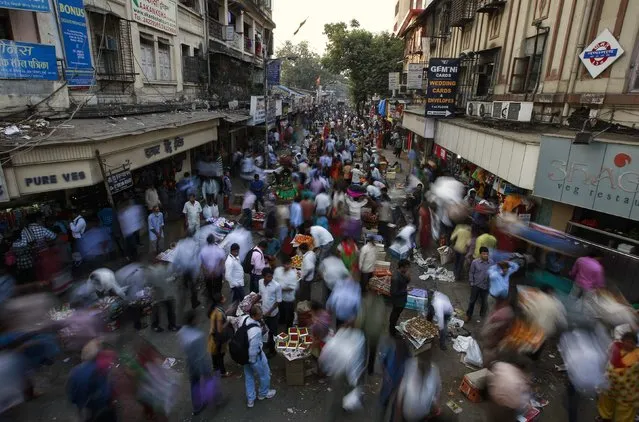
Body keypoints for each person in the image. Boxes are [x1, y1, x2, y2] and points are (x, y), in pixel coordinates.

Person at [597, 331, 639, 422]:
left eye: (632, 343)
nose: (629, 345)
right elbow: (607, 358)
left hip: (628, 390)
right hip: (611, 386)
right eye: (627, 342)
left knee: (625, 409)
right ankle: (605, 417)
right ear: (622, 341)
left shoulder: (637, 355)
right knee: (606, 401)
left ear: (635, 345)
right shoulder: (615, 348)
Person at [178, 310, 214, 416]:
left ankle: (196, 407)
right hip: (200, 364)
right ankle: (211, 398)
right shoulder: (198, 336)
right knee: (208, 380)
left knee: (194, 384)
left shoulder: (182, 331)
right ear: (193, 320)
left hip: (190, 363)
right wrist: (206, 367)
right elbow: (201, 355)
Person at [241, 305, 276, 408]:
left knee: (249, 377)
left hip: (243, 355)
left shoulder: (244, 319)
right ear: (254, 315)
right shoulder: (256, 331)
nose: (261, 316)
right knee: (265, 374)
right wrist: (253, 361)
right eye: (259, 315)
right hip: (255, 357)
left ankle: (250, 400)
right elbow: (253, 350)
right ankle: (263, 394)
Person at [466, 246, 494, 321]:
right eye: (484, 254)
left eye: (487, 254)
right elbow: (471, 272)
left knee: (485, 302)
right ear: (480, 254)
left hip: (486, 286)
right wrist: (471, 282)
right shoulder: (475, 262)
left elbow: (493, 273)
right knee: (472, 301)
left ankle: (482, 315)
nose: (485, 255)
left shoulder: (491, 262)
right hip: (476, 285)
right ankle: (468, 315)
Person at [258, 268, 281, 356]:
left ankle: (273, 351)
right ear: (263, 276)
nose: (270, 278)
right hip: (264, 312)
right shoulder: (260, 282)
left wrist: (269, 311)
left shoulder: (276, 286)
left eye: (271, 276)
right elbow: (260, 294)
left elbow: (278, 301)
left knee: (273, 332)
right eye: (268, 277)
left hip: (273, 314)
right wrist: (252, 303)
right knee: (266, 331)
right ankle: (268, 343)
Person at [208, 293, 232, 377]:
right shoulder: (219, 313)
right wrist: (228, 321)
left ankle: (215, 367)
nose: (225, 297)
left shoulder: (215, 309)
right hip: (218, 338)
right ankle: (222, 372)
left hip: (213, 335)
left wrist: (227, 312)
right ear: (221, 300)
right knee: (220, 355)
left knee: (214, 353)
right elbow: (220, 329)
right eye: (223, 297)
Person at [274, 257, 298, 329]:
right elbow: (274, 280)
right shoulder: (278, 270)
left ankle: (289, 329)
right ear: (282, 264)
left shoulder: (293, 274)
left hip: (289, 299)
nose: (286, 266)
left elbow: (292, 287)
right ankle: (281, 321)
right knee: (281, 311)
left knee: (289, 315)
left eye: (288, 264)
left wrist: (280, 289)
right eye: (285, 264)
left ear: (291, 264)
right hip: (279, 297)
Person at [200, 234, 226, 301]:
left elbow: (202, 264)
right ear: (214, 241)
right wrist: (216, 270)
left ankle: (210, 296)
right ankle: (217, 299)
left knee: (209, 286)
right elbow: (222, 261)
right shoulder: (219, 250)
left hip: (208, 274)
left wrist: (206, 272)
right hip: (217, 274)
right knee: (218, 287)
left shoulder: (203, 251)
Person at [389, 259, 411, 336]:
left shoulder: (402, 273)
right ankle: (392, 331)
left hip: (402, 299)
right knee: (395, 315)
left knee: (396, 315)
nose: (407, 269)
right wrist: (405, 291)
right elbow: (393, 292)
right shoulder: (396, 278)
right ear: (402, 267)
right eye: (406, 268)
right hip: (398, 301)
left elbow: (406, 281)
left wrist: (408, 277)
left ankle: (392, 326)